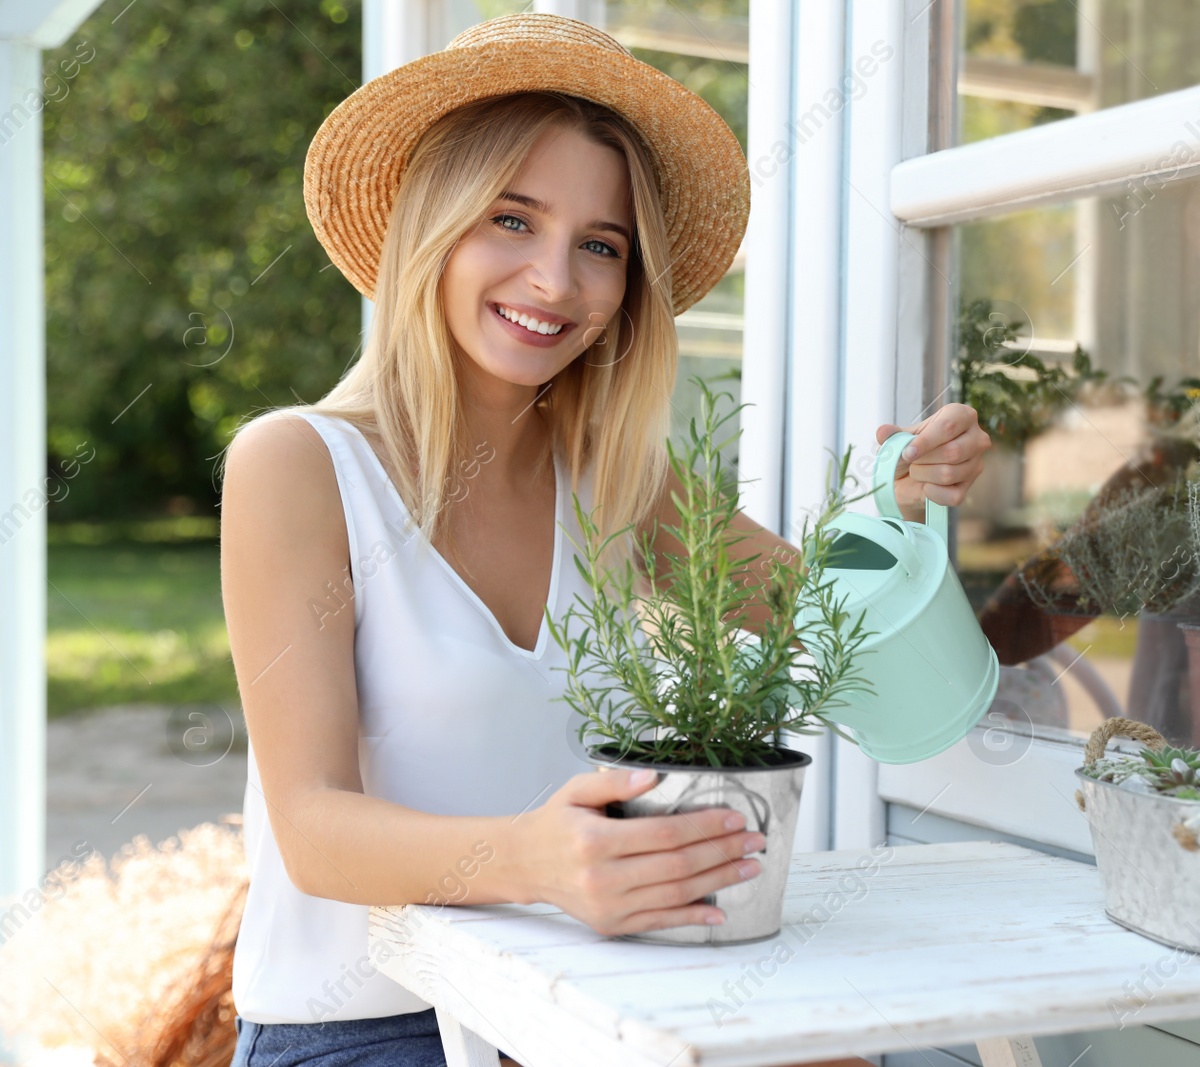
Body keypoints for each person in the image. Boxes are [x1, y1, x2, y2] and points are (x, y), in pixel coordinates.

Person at [218, 14, 991, 1067]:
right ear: (431, 226)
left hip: (581, 999)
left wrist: (888, 508)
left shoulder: (620, 483)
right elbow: (311, 827)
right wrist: (539, 857)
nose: (554, 280)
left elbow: (839, 633)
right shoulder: (299, 463)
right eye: (512, 220)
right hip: (363, 1026)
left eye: (599, 246)